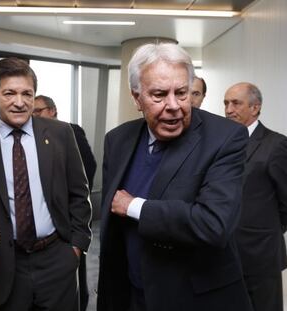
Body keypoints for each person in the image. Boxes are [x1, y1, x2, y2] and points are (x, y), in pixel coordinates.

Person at [97, 43, 253, 311]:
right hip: (132, 295)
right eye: (159, 95)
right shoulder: (118, 140)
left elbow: (213, 224)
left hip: (197, 300)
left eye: (182, 93)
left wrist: (134, 207)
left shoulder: (225, 137)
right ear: (136, 98)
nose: (173, 106)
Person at [0, 57, 92, 311]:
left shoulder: (60, 133)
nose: (19, 102)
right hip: (5, 260)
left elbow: (79, 193)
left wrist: (76, 247)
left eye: (27, 93)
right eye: (9, 93)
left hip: (56, 257)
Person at [224, 82, 287, 311]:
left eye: (236, 103)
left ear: (255, 107)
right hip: (225, 254)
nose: (229, 109)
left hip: (261, 254)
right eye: (226, 103)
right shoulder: (223, 144)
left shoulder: (276, 144)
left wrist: (267, 230)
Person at [34, 94, 96, 311]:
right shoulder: (30, 135)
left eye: (38, 110)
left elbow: (87, 169)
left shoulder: (69, 131)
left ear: (52, 110)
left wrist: (77, 243)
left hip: (68, 222)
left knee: (75, 285)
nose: (34, 114)